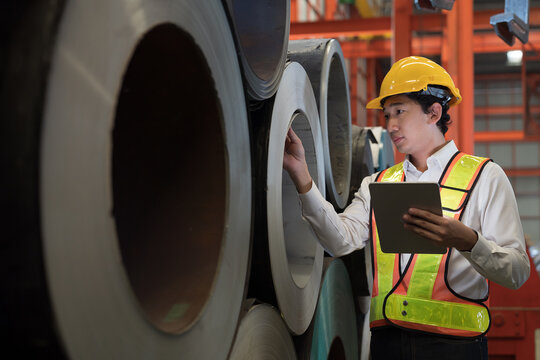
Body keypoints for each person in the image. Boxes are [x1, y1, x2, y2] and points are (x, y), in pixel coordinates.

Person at [283, 56, 530, 359]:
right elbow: (339, 239)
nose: (390, 125)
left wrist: (468, 241)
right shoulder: (379, 183)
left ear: (434, 112)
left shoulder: (485, 178)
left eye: (399, 111)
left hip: (455, 349)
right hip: (387, 346)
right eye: (387, 115)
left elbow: (517, 271)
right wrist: (301, 176)